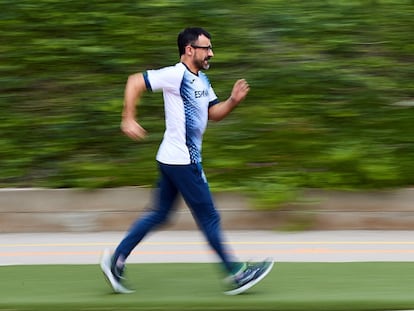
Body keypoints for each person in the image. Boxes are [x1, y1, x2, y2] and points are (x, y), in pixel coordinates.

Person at [100, 27, 273, 295]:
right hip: (183, 161)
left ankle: (116, 261)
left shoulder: (201, 80)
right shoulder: (175, 75)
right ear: (189, 50)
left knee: (159, 214)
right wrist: (128, 117)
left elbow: (213, 113)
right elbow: (135, 81)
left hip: (170, 158)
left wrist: (233, 101)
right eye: (206, 48)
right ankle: (237, 274)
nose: (211, 53)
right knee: (209, 218)